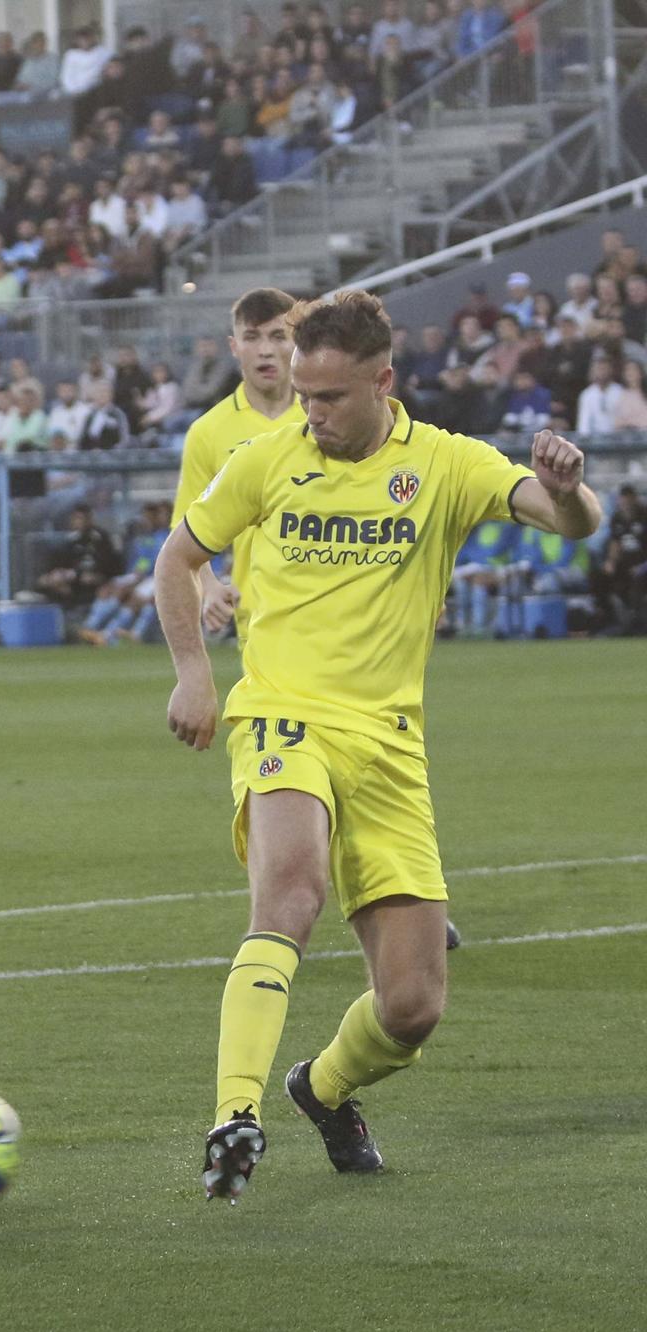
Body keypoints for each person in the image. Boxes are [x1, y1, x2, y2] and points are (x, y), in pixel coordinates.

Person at [154, 290, 601, 1203]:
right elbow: (177, 557)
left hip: (391, 746)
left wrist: (568, 487)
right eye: (305, 395)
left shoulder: (442, 463)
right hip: (282, 715)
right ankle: (234, 1115)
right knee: (289, 891)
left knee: (412, 1007)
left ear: (382, 382)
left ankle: (320, 1088)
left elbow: (571, 523)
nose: (310, 412)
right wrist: (194, 674)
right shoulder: (263, 459)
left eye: (330, 397)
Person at [175, 289, 305, 643]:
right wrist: (210, 585)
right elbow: (185, 529)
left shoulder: (325, 419)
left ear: (298, 342)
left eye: (278, 336)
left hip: (334, 612)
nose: (265, 349)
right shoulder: (209, 432)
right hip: (259, 619)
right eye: (252, 337)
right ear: (234, 347)